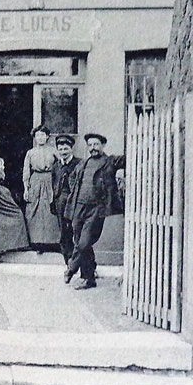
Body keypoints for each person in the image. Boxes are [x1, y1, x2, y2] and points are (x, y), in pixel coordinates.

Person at [64, 133, 126, 290]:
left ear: (103, 145)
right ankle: (89, 278)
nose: (93, 148)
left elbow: (130, 158)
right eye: (90, 145)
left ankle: (71, 267)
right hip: (79, 207)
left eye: (96, 144)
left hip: (96, 208)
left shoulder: (110, 161)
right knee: (79, 242)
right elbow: (72, 179)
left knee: (84, 242)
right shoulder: (84, 163)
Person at [22, 124, 60, 249]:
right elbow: (26, 171)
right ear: (34, 137)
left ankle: (52, 242)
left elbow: (61, 165)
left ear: (47, 136)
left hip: (50, 180)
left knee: (50, 209)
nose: (40, 138)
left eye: (43, 135)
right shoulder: (30, 152)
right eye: (37, 135)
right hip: (35, 181)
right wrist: (26, 188)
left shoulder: (53, 150)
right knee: (34, 210)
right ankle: (36, 242)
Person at [51, 134, 82, 280]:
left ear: (71, 149)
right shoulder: (56, 165)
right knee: (64, 235)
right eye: (61, 149)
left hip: (75, 203)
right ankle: (69, 265)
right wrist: (53, 201)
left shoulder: (79, 164)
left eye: (66, 149)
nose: (63, 151)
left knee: (80, 235)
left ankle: (89, 267)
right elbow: (53, 184)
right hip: (60, 203)